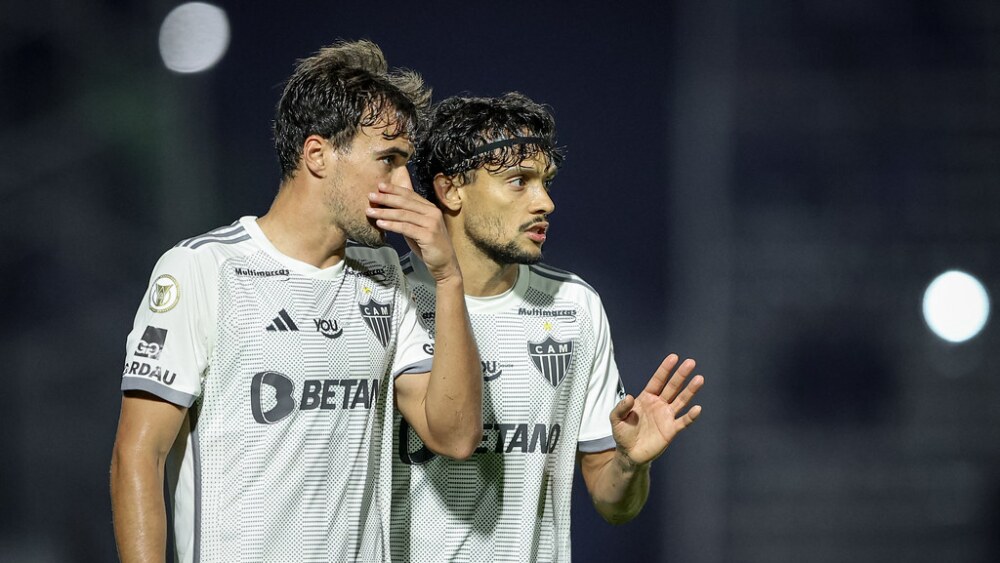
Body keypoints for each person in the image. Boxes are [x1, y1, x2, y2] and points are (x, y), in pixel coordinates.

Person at [110, 40, 482, 563]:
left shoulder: (387, 279)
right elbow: (138, 456)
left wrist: (447, 278)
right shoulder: (202, 269)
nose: (406, 186)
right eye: (389, 161)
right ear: (317, 155)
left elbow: (457, 436)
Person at [390, 92, 705, 562]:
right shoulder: (386, 298)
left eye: (546, 182)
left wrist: (629, 463)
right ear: (451, 189)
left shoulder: (574, 306)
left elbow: (613, 502)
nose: (546, 203)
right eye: (519, 181)